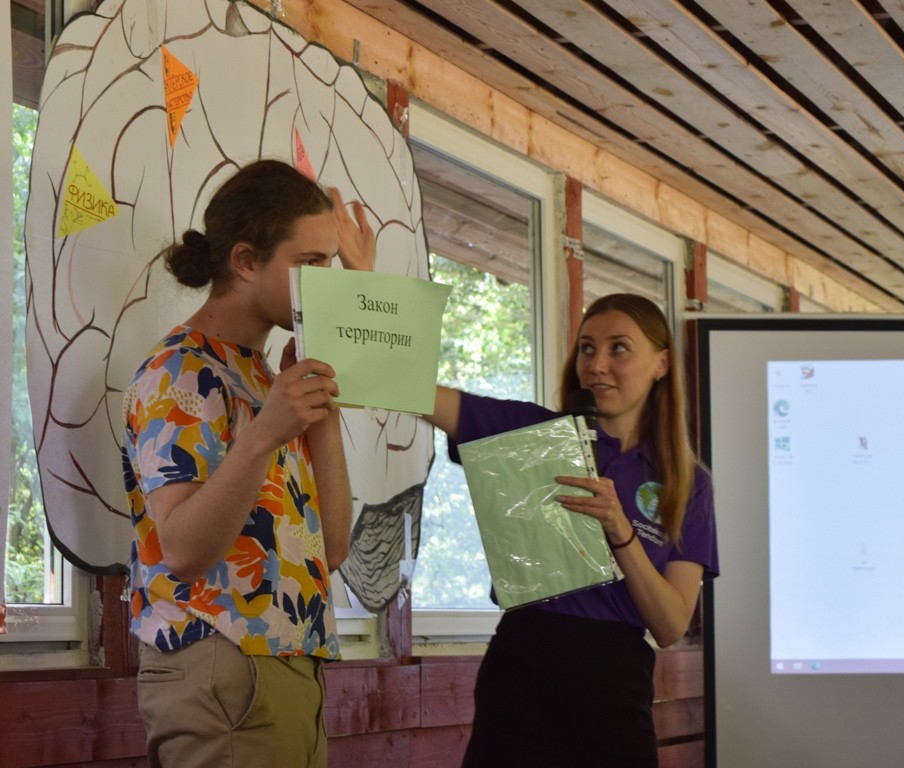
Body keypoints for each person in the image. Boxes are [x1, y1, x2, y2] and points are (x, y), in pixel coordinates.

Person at [121, 158, 375, 768]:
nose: (323, 281)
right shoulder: (179, 370)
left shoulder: (265, 376)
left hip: (287, 659)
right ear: (244, 261)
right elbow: (183, 550)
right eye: (310, 263)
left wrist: (323, 406)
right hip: (222, 661)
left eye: (329, 265)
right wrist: (262, 436)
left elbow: (331, 547)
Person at [427, 293, 719, 768]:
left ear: (661, 364)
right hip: (522, 670)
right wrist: (366, 287)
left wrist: (620, 531)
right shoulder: (536, 434)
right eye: (586, 348)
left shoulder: (687, 482)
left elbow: (670, 626)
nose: (597, 364)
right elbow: (415, 392)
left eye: (618, 348)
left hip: (615, 688)